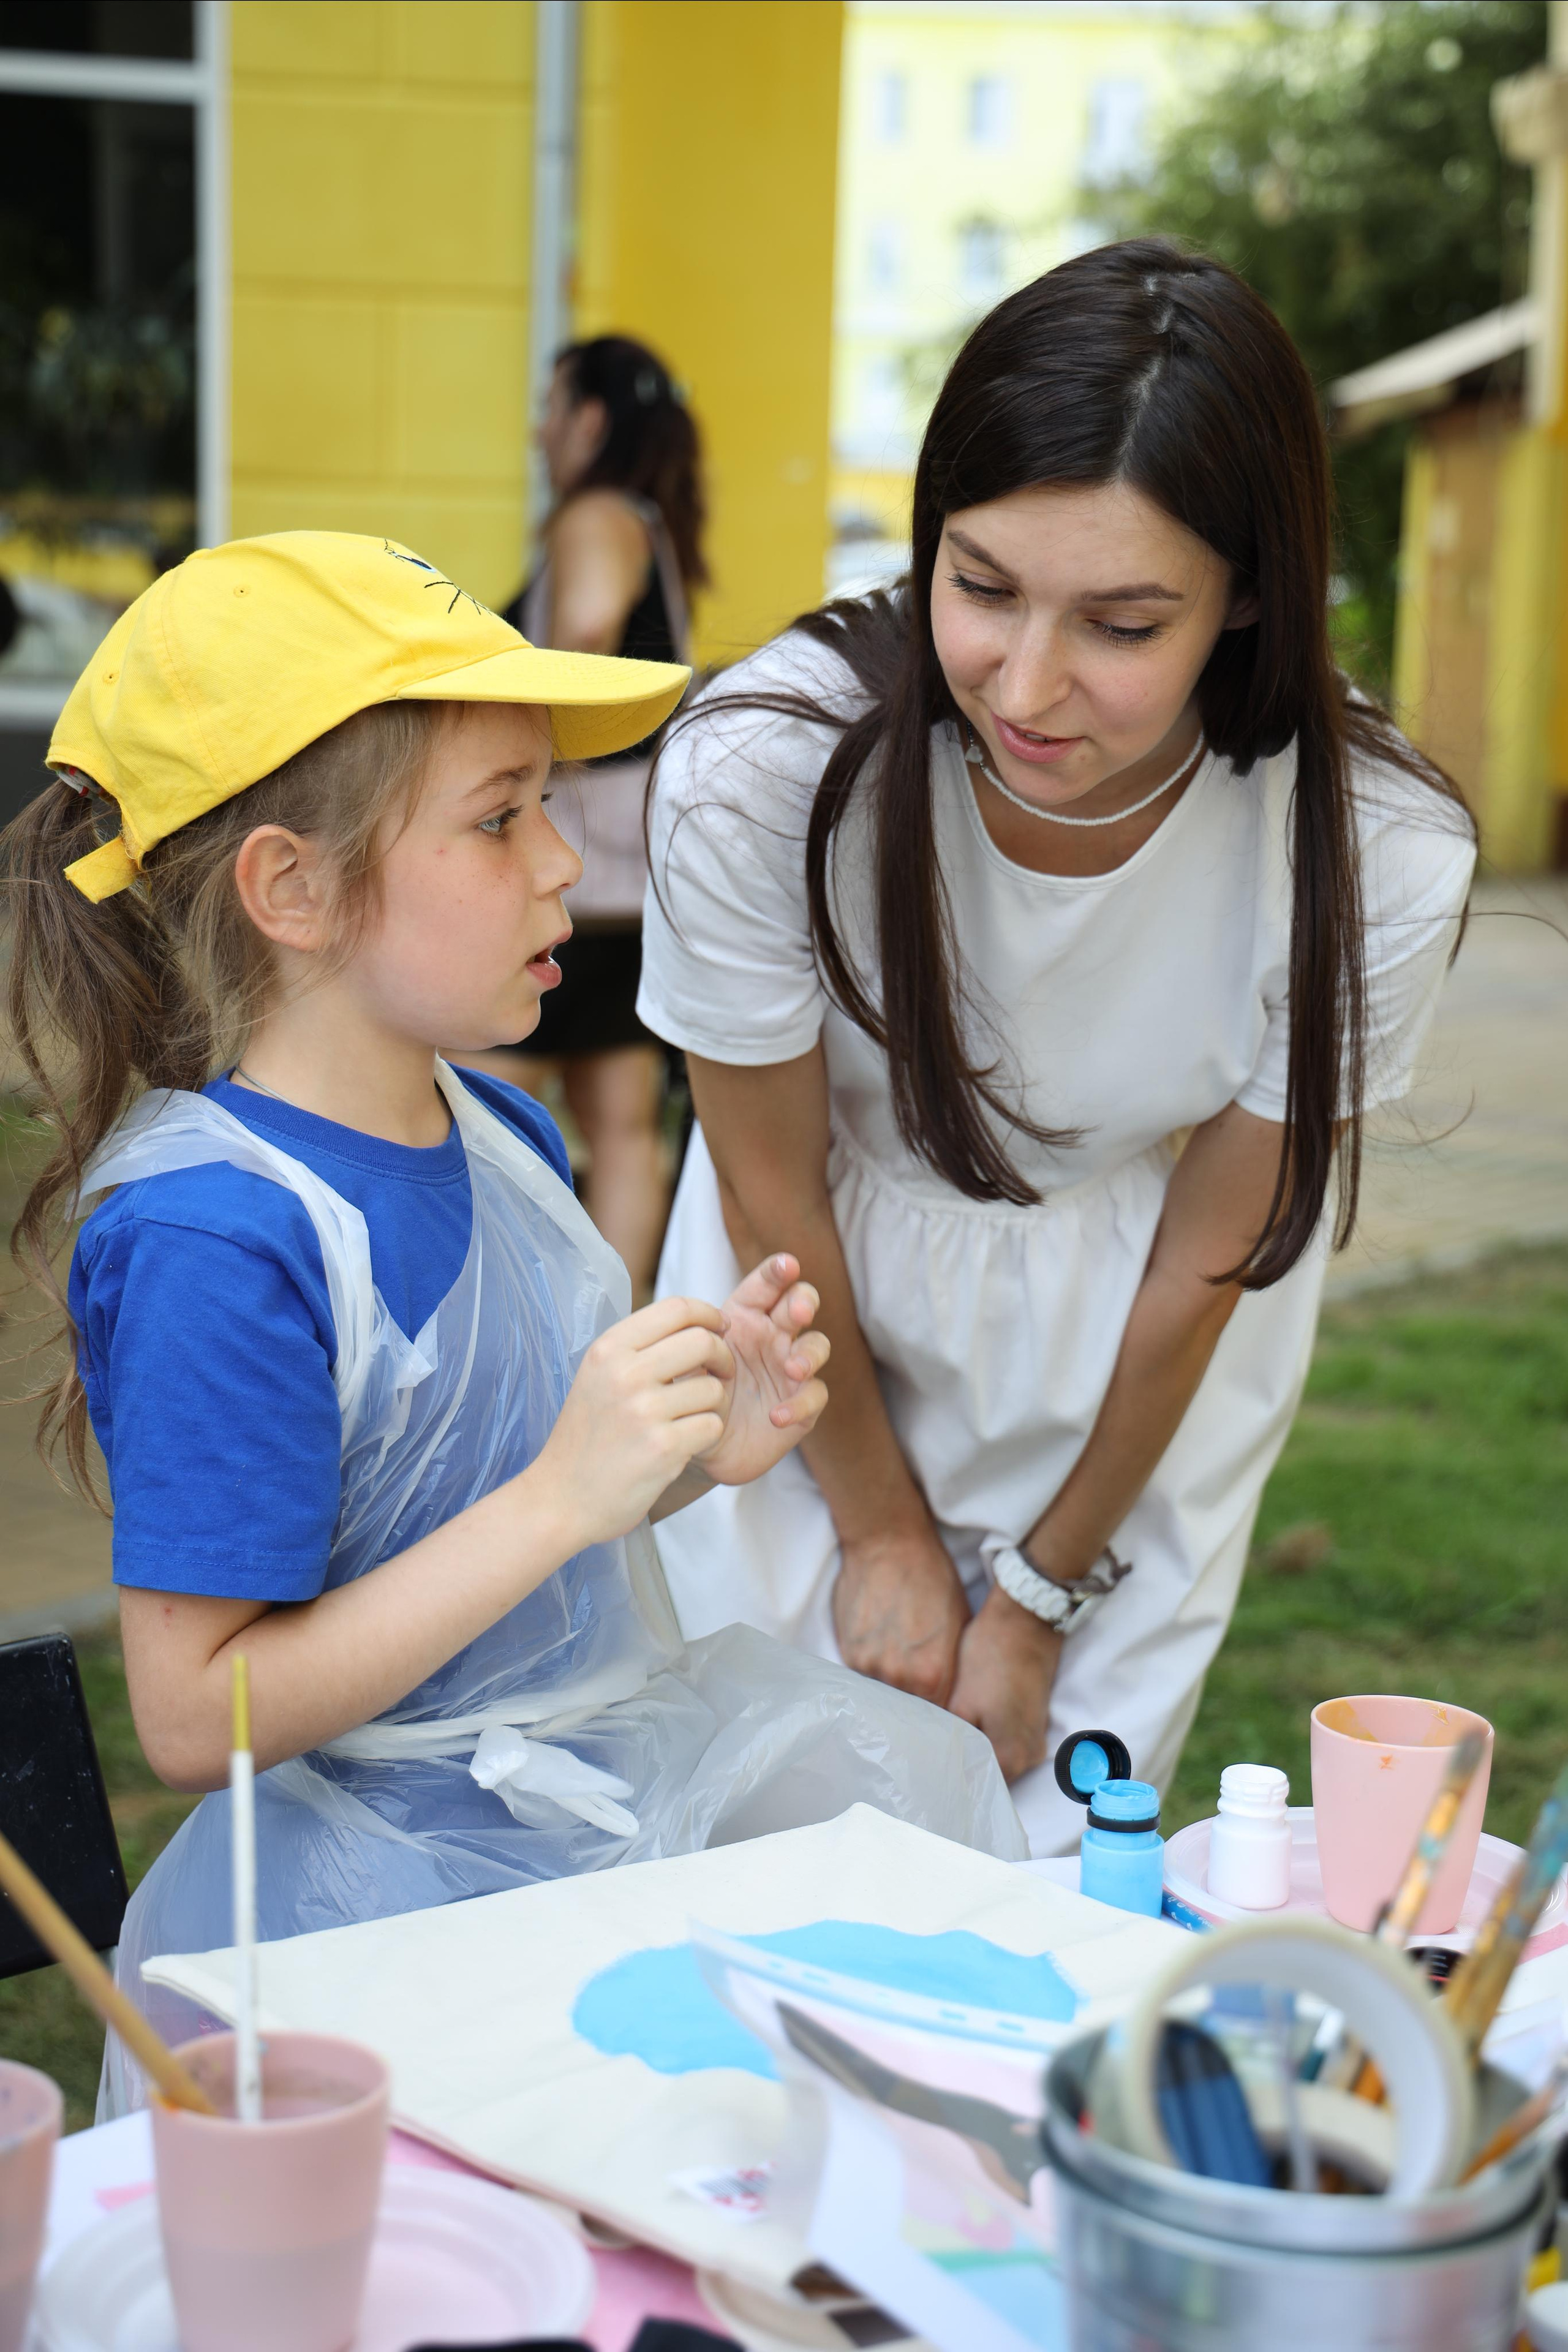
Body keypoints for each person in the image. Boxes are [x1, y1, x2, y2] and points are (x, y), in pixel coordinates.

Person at [1, 532, 1024, 2111]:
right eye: (498, 819)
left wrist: (680, 1456)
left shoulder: (499, 1130)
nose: (561, 861)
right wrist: (567, 1491)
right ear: (292, 887)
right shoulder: (221, 1236)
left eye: (544, 804)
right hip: (365, 1936)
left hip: (571, 1831)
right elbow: (198, 1714)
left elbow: (487, 1514)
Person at [638, 239, 1477, 1856]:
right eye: (983, 586)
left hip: (1139, 1360)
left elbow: (1212, 1258)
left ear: (1246, 595)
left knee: (1039, 1901)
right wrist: (877, 1528)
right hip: (805, 1332)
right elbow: (770, 1186)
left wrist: (1035, 1595)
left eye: (1122, 622)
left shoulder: (1375, 844)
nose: (1029, 687)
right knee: (742, 1857)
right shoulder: (765, 773)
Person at [458, 336, 704, 1300]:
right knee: (624, 1129)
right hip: (635, 888)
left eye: (550, 406)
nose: (537, 431)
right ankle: (604, 1336)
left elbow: (593, 623)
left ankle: (511, 1328)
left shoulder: (595, 515)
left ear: (590, 421)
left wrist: (528, 748)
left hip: (570, 876)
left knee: (486, 1105)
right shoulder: (651, 522)